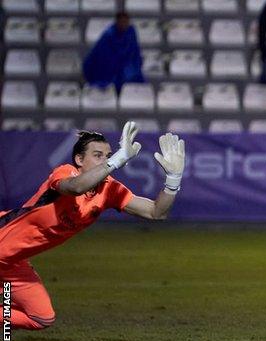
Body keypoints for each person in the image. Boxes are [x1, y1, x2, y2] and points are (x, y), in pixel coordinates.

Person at [0, 122, 185, 330]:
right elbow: (77, 187)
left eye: (108, 155)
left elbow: (156, 212)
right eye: (98, 155)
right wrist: (116, 160)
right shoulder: (65, 173)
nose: (105, 160)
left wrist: (173, 179)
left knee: (41, 318)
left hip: (12, 262)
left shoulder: (110, 190)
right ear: (79, 159)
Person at [83, 12, 145, 93]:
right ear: (117, 22)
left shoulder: (131, 31)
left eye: (126, 22)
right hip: (110, 67)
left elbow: (134, 50)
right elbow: (101, 52)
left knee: (133, 75)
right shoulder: (109, 34)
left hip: (127, 66)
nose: (124, 24)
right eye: (122, 22)